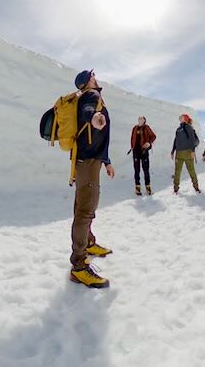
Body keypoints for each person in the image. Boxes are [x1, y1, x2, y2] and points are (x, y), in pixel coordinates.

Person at [69, 69, 116, 289]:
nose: (95, 77)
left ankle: (88, 243)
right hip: (87, 161)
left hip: (87, 160)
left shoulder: (89, 97)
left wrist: (106, 161)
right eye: (92, 75)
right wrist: (95, 117)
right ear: (88, 81)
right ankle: (79, 267)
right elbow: (89, 111)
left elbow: (100, 137)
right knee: (86, 209)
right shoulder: (91, 96)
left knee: (83, 205)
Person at [170, 114, 201, 195]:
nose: (180, 117)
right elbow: (175, 141)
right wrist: (173, 151)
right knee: (177, 171)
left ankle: (196, 187)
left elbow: (192, 139)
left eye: (182, 116)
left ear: (185, 118)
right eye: (180, 116)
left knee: (191, 170)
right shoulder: (178, 129)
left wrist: (193, 151)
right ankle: (175, 188)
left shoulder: (188, 127)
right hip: (179, 153)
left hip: (188, 152)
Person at [128, 116, 157, 196]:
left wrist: (149, 142)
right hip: (136, 151)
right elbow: (132, 138)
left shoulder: (147, 128)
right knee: (136, 170)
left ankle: (148, 187)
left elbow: (153, 136)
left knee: (146, 169)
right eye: (139, 119)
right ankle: (137, 187)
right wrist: (132, 147)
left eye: (142, 119)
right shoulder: (135, 128)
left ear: (144, 120)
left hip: (144, 151)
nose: (140, 120)